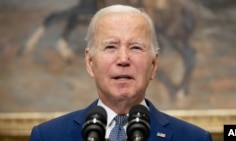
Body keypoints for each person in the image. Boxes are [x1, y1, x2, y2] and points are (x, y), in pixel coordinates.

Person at [29, 4, 212, 141]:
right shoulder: (47, 136)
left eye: (135, 47)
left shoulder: (195, 138)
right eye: (110, 47)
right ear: (90, 62)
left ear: (154, 64)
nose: (123, 59)